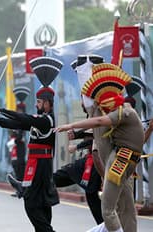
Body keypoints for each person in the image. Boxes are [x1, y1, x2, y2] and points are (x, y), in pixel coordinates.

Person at [55, 64, 142, 232]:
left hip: (121, 160)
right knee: (126, 207)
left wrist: (71, 125)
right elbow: (98, 128)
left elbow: (99, 122)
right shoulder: (123, 112)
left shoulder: (123, 112)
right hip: (124, 158)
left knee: (108, 209)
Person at [0, 57, 63, 232]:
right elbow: (18, 124)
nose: (36, 105)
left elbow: (24, 119)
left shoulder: (46, 120)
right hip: (36, 164)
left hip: (41, 166)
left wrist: (1, 110)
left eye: (38, 102)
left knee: (31, 204)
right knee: (42, 204)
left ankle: (23, 188)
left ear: (46, 103)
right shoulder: (40, 119)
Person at [53, 128, 103, 225]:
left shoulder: (103, 117)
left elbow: (96, 136)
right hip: (92, 161)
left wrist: (77, 146)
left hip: (100, 163)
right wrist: (75, 134)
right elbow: (88, 129)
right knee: (64, 174)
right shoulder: (94, 118)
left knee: (96, 200)